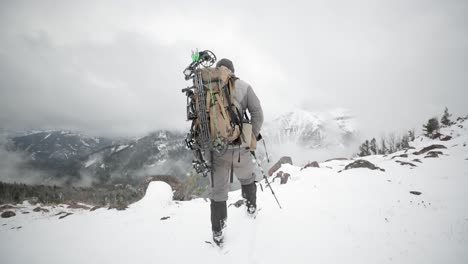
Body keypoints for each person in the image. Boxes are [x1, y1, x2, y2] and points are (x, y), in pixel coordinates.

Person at [209, 58, 264, 246]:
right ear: (232, 70)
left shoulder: (208, 88)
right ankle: (250, 207)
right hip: (240, 147)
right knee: (247, 178)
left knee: (218, 192)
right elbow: (258, 114)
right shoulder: (244, 86)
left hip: (216, 150)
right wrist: (251, 137)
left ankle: (218, 232)